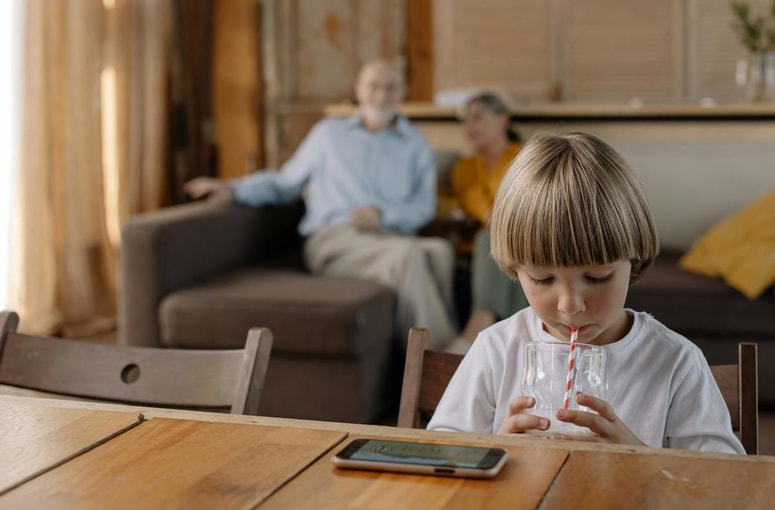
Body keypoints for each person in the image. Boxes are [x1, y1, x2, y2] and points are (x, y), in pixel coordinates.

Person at [428, 131, 745, 454]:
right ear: (515, 269)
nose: (570, 305)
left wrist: (641, 460)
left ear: (633, 262)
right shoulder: (496, 351)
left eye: (596, 277)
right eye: (541, 278)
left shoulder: (675, 363)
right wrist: (493, 450)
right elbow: (441, 454)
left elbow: (726, 484)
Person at [183, 58, 457, 350]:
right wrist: (233, 189)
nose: (381, 95)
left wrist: (384, 214)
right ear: (359, 90)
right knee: (407, 257)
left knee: (439, 251)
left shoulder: (414, 142)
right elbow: (285, 182)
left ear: (402, 92)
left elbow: (423, 206)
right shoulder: (329, 134)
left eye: (390, 87)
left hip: (389, 236)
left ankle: (441, 354)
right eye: (373, 86)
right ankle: (443, 362)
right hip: (334, 240)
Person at [446, 92, 528, 354]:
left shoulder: (526, 159)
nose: (469, 127)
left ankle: (479, 323)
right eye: (466, 121)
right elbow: (451, 206)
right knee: (487, 238)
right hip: (476, 248)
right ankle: (520, 342)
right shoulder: (463, 168)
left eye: (478, 118)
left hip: (519, 240)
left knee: (495, 235)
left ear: (503, 119)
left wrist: (504, 215)